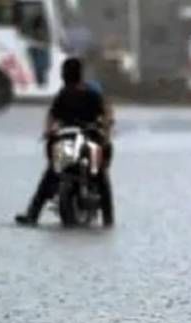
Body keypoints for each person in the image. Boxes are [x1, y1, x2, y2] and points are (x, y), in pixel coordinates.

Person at [15, 58, 115, 227]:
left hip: (69, 142)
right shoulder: (91, 94)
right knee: (101, 176)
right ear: (80, 75)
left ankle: (33, 214)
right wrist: (105, 130)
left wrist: (49, 131)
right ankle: (108, 218)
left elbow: (51, 117)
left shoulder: (63, 95)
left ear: (64, 75)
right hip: (87, 140)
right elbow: (106, 113)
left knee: (51, 175)